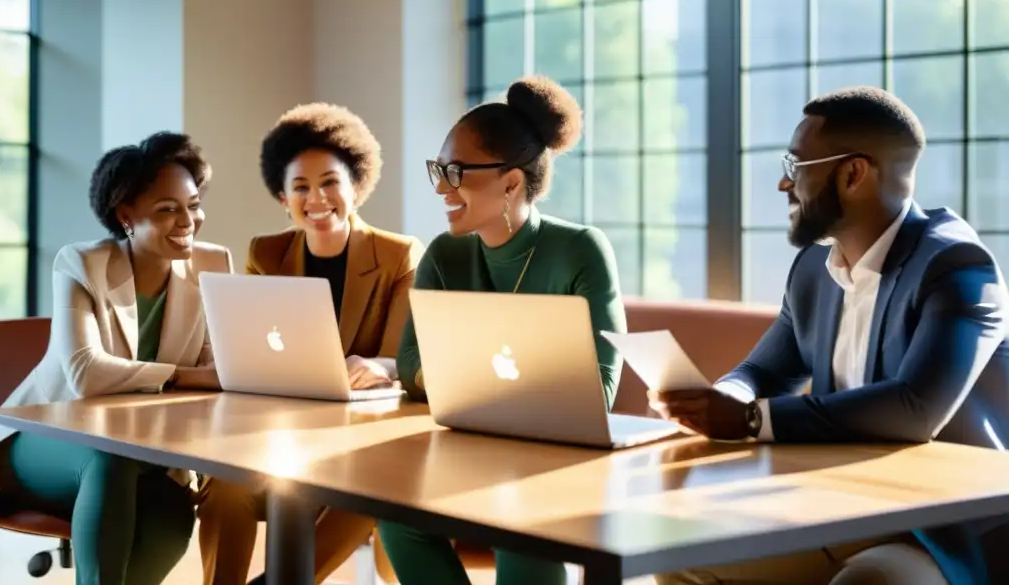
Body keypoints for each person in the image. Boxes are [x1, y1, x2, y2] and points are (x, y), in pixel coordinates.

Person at [649, 86, 1009, 585]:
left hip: (939, 527)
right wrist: (719, 398)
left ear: (853, 173)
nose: (782, 183)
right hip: (837, 505)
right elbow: (763, 371)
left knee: (871, 582)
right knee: (675, 559)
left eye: (795, 166)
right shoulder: (814, 269)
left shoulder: (956, 268)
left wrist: (750, 420)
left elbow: (915, 410)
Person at [375, 76, 627, 585]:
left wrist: (459, 383)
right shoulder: (444, 255)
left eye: (456, 172)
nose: (442, 187)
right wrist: (498, 392)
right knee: (395, 515)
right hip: (466, 449)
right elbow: (408, 363)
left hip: (556, 462)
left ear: (511, 182)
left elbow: (599, 389)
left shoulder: (580, 249)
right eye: (439, 170)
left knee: (517, 521)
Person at [0, 132, 232, 585]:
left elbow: (220, 372)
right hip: (42, 437)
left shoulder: (212, 266)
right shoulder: (82, 264)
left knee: (171, 508)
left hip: (144, 452)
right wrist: (184, 377)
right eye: (167, 209)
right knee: (110, 456)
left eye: (193, 204)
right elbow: (86, 373)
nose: (188, 220)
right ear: (126, 217)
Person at [197, 102, 423, 585]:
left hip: (363, 439)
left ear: (356, 187)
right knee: (223, 489)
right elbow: (252, 350)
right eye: (300, 186)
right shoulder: (266, 252)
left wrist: (381, 365)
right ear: (283, 197)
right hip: (281, 431)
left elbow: (399, 356)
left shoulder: (397, 255)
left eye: (330, 183)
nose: (316, 198)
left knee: (379, 487)